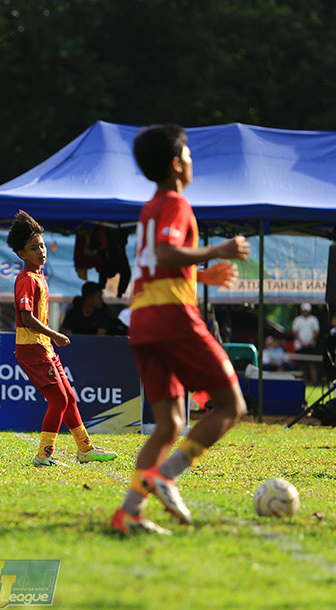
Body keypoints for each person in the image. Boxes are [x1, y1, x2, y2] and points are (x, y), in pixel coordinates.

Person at [110, 124, 250, 535]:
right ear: (175, 164)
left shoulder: (150, 207)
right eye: (188, 154)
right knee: (231, 406)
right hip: (172, 318)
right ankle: (167, 475)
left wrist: (201, 276)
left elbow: (155, 262)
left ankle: (129, 512)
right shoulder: (176, 203)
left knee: (169, 423)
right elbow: (166, 252)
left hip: (143, 319)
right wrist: (220, 249)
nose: (191, 160)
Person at [7, 210, 118, 467]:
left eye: (42, 246)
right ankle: (44, 455)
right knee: (58, 400)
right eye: (34, 248)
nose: (41, 251)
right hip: (32, 348)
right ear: (22, 254)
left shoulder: (38, 276)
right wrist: (55, 334)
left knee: (69, 398)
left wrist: (50, 339)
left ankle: (85, 449)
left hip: (43, 347)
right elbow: (26, 318)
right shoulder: (26, 279)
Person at [292, 303, 320, 383]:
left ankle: (314, 381)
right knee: (301, 364)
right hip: (300, 346)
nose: (305, 312)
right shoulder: (297, 320)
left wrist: (309, 342)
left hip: (311, 346)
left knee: (312, 363)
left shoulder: (313, 319)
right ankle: (304, 380)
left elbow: (316, 331)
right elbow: (295, 332)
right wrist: (302, 343)